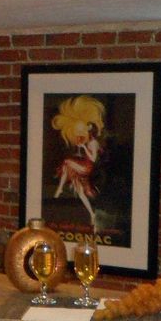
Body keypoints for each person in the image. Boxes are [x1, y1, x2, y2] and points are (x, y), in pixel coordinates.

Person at [50, 94, 105, 230]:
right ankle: (92, 214)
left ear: (90, 129)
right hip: (84, 165)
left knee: (67, 162)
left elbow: (92, 159)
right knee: (80, 192)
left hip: (87, 167)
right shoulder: (87, 141)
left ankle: (60, 189)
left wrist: (84, 148)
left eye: (86, 128)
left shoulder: (93, 143)